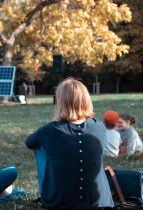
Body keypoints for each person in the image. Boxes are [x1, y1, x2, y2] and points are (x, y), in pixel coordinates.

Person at [25, 78, 114, 209]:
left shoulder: (49, 130)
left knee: (40, 148)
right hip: (100, 203)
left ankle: (52, 190)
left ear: (60, 102)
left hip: (61, 203)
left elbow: (29, 143)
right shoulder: (99, 126)